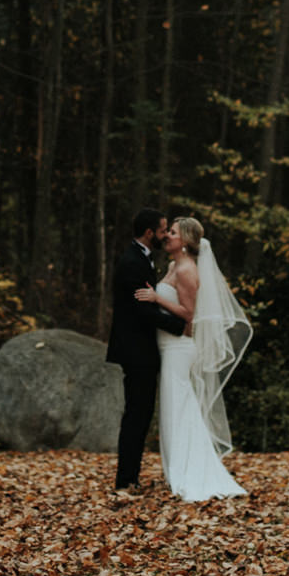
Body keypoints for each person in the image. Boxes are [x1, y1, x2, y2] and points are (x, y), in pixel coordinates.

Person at [133, 215, 252, 501]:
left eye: (172, 233)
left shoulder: (187, 270)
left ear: (185, 240)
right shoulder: (174, 265)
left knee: (179, 408)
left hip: (179, 348)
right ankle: (177, 469)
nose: (167, 236)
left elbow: (189, 314)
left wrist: (156, 298)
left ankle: (190, 472)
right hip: (167, 346)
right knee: (174, 409)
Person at [106, 209, 186, 495]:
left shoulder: (140, 258)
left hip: (141, 349)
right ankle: (125, 480)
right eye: (164, 230)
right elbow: (143, 311)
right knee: (137, 415)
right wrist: (180, 325)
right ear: (150, 233)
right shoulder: (132, 262)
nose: (166, 235)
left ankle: (130, 477)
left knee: (139, 414)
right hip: (137, 351)